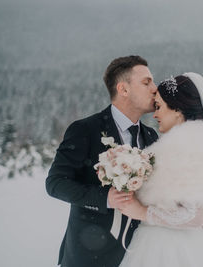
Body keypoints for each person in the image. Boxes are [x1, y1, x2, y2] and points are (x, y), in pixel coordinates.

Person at [46, 55, 159, 267]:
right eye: (146, 82)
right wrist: (105, 197)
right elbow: (55, 183)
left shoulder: (151, 136)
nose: (155, 88)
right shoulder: (85, 130)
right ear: (123, 89)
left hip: (139, 254)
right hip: (89, 256)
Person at [118, 73, 203, 267]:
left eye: (158, 107)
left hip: (172, 248)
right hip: (161, 241)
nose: (154, 114)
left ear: (178, 110)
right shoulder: (182, 145)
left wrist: (142, 212)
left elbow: (194, 216)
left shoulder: (188, 148)